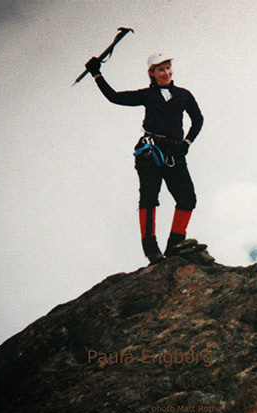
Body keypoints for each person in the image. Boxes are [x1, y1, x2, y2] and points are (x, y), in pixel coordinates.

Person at [85, 53, 204, 265]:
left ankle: (175, 245)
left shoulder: (183, 94)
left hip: (174, 151)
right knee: (149, 197)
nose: (166, 72)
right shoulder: (147, 95)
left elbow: (198, 119)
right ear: (152, 73)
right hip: (150, 150)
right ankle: (151, 249)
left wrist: (187, 143)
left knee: (187, 197)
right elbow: (114, 97)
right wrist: (96, 74)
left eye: (168, 68)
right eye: (160, 69)